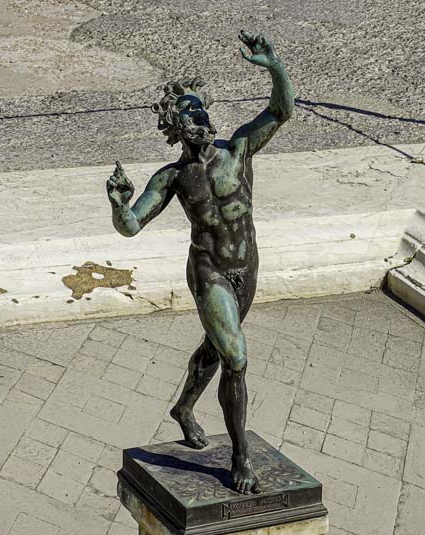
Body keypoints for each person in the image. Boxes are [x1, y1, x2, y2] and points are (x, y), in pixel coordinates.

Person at [106, 30, 293, 494]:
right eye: (191, 111)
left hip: (246, 268)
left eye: (202, 109)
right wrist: (119, 204)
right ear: (176, 124)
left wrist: (274, 67)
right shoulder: (172, 177)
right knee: (236, 357)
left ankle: (184, 408)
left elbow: (281, 112)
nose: (202, 117)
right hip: (209, 271)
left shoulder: (238, 150)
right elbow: (132, 226)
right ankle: (241, 455)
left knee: (216, 348)